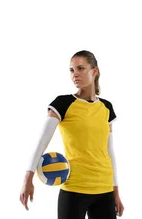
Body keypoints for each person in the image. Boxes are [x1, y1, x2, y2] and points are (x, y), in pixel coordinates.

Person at [19, 50, 124, 219]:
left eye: (81, 69)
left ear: (94, 71)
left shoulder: (106, 107)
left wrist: (116, 191)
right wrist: (28, 179)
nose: (75, 74)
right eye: (72, 70)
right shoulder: (63, 103)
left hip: (104, 189)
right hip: (74, 187)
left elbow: (109, 151)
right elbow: (41, 142)